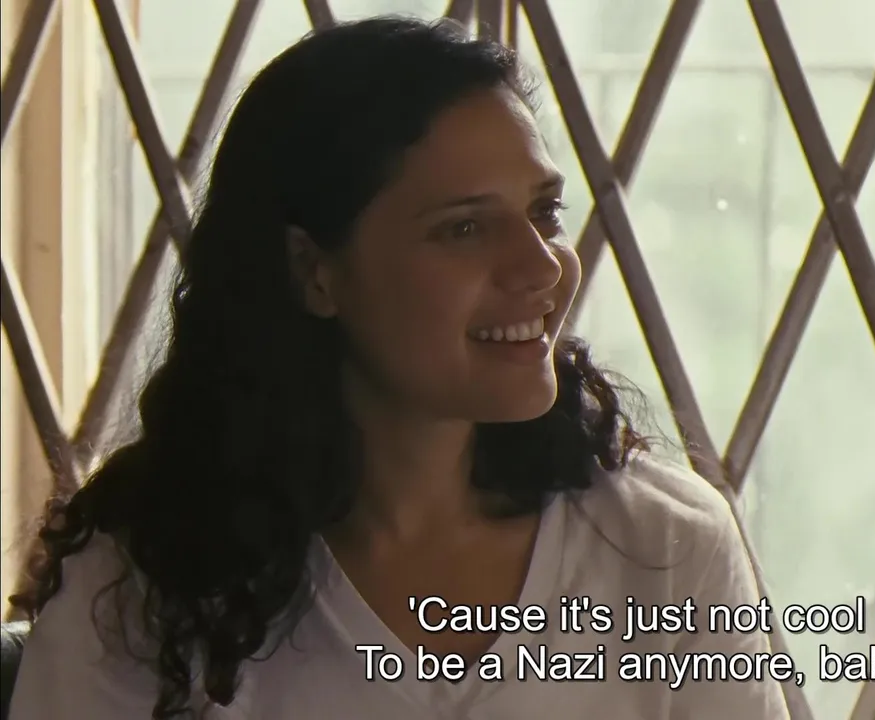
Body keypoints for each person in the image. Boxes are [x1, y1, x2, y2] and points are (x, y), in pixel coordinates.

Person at [6, 15, 793, 720]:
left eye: (544, 213)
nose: (543, 266)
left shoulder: (663, 546)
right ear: (314, 271)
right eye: (464, 229)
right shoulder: (141, 589)